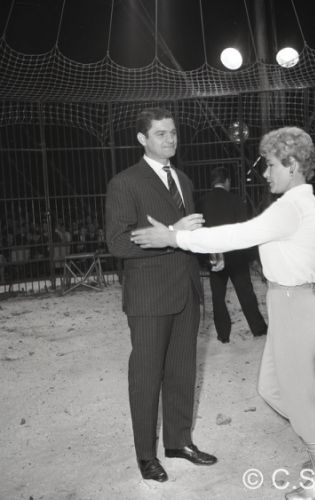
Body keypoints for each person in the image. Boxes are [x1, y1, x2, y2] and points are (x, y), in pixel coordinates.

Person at [131, 126, 315, 499]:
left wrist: (173, 237)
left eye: (271, 165)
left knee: (300, 396)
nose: (265, 172)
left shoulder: (291, 208)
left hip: (294, 306)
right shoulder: (310, 206)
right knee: (271, 388)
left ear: (292, 165)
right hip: (293, 304)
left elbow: (236, 236)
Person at [105, 107, 217, 483]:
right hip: (150, 296)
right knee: (147, 377)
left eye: (173, 133)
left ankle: (179, 442)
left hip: (187, 289)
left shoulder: (183, 179)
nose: (170, 139)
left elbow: (185, 234)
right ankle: (145, 455)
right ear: (142, 139)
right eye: (160, 134)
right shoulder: (125, 182)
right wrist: (170, 234)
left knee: (183, 371)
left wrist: (207, 249)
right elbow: (117, 242)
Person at [198, 166, 267, 343]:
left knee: (217, 297)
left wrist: (203, 258)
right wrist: (252, 257)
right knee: (246, 293)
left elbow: (200, 230)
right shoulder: (236, 201)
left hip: (215, 255)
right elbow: (245, 231)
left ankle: (223, 335)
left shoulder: (203, 202)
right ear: (227, 181)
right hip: (236, 255)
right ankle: (258, 329)